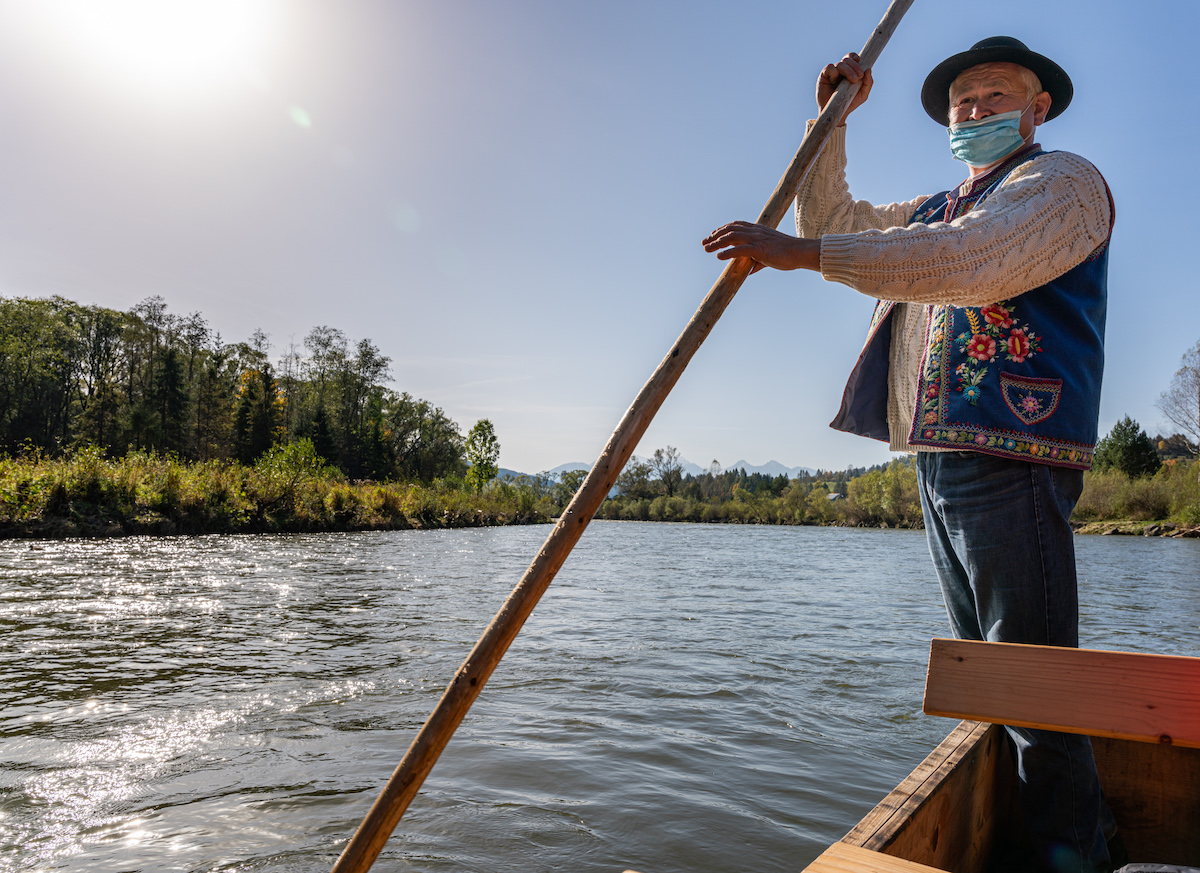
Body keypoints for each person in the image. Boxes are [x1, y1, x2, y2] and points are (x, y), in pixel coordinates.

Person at [703, 36, 1119, 873]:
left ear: (1038, 109)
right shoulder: (939, 207)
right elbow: (836, 226)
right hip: (941, 460)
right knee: (988, 681)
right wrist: (832, 125)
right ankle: (1029, 842)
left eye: (994, 96)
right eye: (963, 102)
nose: (974, 111)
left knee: (1033, 690)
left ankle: (1081, 857)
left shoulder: (1061, 184)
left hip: (1012, 451)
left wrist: (800, 255)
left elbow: (972, 260)